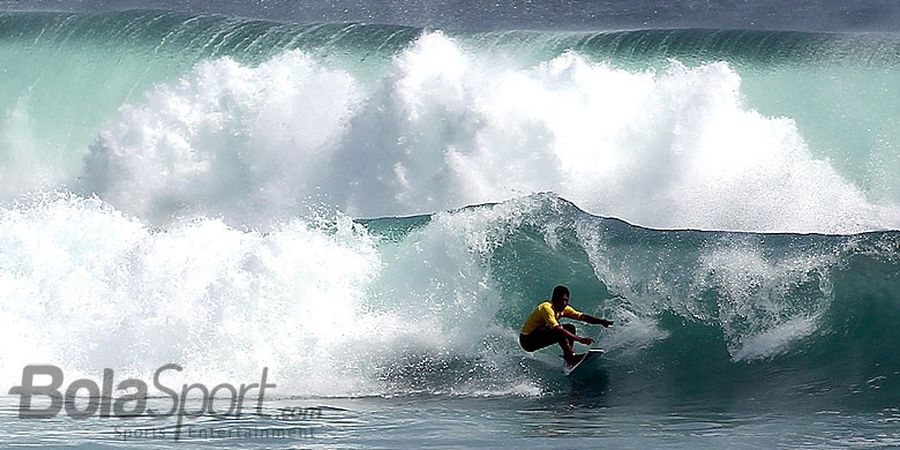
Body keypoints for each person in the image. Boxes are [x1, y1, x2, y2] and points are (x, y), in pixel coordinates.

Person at [519, 285, 614, 366]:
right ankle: (570, 357)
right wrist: (580, 339)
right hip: (527, 340)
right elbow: (557, 329)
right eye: (562, 300)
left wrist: (602, 321)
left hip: (537, 337)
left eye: (566, 300)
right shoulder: (546, 308)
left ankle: (569, 357)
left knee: (570, 328)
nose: (564, 303)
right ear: (554, 300)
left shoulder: (564, 309)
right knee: (559, 330)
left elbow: (582, 317)